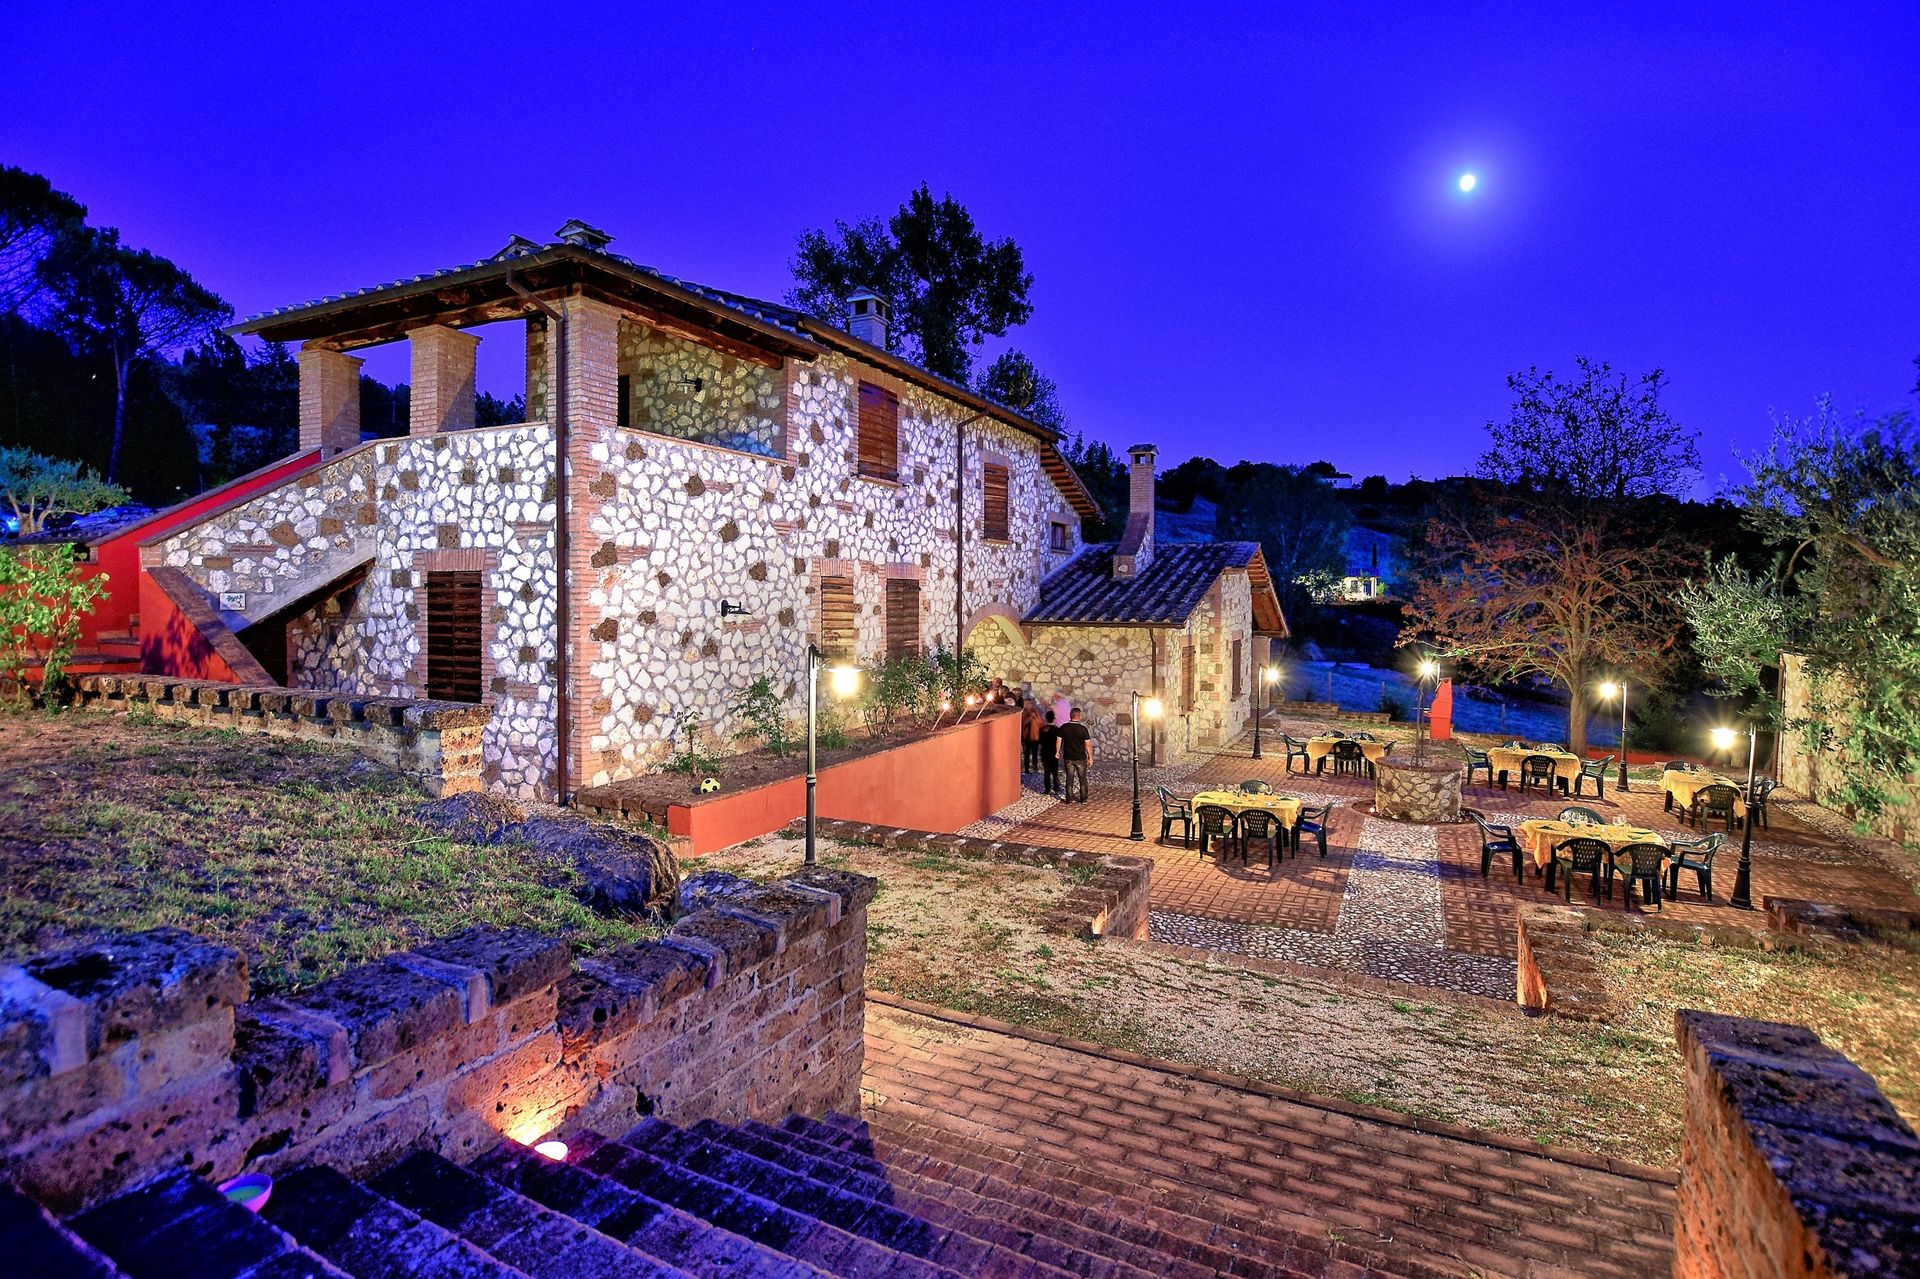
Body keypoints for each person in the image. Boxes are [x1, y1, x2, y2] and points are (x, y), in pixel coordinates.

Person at [1058, 707, 1093, 803]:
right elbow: (1088, 744)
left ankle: (1069, 799)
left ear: (1071, 716)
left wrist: (1057, 751)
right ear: (1079, 716)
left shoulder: (1064, 727)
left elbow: (1059, 740)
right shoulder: (1083, 729)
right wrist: (1090, 757)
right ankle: (1084, 798)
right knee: (1082, 778)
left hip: (1068, 757)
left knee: (1069, 778)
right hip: (1080, 757)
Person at [1038, 710, 1062, 797]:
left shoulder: (1042, 730)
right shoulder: (1057, 730)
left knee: (1047, 772)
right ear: (1054, 719)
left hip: (1045, 753)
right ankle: (1056, 788)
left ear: (1046, 718)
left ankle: (1047, 789)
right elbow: (1059, 742)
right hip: (1054, 752)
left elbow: (1040, 742)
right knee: (1055, 772)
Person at [1021, 698, 1043, 774]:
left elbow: (1041, 723)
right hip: (1026, 738)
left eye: (1029, 704)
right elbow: (1021, 725)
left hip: (1035, 737)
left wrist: (1035, 717)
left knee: (1034, 754)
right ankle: (1026, 769)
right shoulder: (1023, 713)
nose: (1028, 706)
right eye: (1026, 704)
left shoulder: (1035, 712)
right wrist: (1029, 719)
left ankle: (1035, 767)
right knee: (1026, 754)